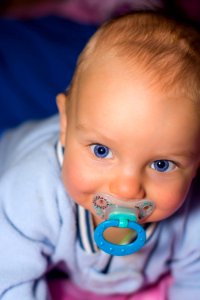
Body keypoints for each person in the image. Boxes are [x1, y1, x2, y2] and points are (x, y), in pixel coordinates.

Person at [0, 11, 200, 300]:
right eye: (101, 151)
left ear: (196, 163)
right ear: (65, 125)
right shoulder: (30, 193)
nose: (127, 188)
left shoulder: (190, 219)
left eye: (161, 164)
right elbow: (7, 276)